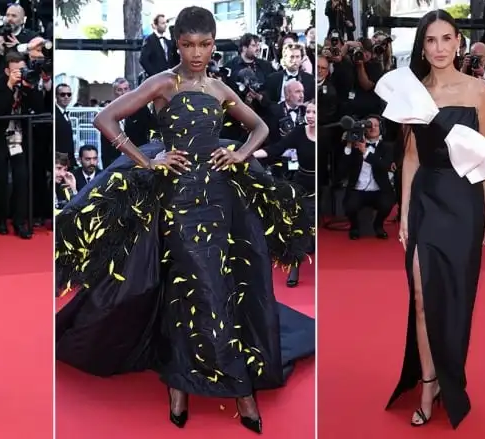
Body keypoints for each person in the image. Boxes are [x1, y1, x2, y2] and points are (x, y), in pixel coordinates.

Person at [54, 6, 315, 434]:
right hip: (176, 199)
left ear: (214, 44)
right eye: (189, 45)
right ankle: (224, 387)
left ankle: (201, 382)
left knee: (223, 283)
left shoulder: (218, 86)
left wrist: (239, 154)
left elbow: (260, 129)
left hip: (220, 198)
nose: (197, 53)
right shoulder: (163, 82)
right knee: (192, 281)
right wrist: (148, 161)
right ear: (177, 44)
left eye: (205, 45)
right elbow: (106, 118)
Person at [382, 10, 485, 429]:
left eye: (446, 38)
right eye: (430, 41)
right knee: (419, 292)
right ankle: (429, 381)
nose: (439, 48)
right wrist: (405, 213)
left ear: (458, 42)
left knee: (455, 296)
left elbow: (483, 154)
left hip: (464, 199)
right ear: (422, 46)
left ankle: (449, 374)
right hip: (428, 198)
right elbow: (411, 156)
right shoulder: (413, 93)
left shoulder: (480, 91)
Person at [252, 100, 316, 287]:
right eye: (308, 112)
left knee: (313, 228)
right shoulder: (299, 132)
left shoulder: (327, 135)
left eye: (314, 112)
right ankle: (294, 267)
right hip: (302, 184)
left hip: (322, 186)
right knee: (298, 226)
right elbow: (277, 149)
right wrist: (249, 154)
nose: (310, 116)